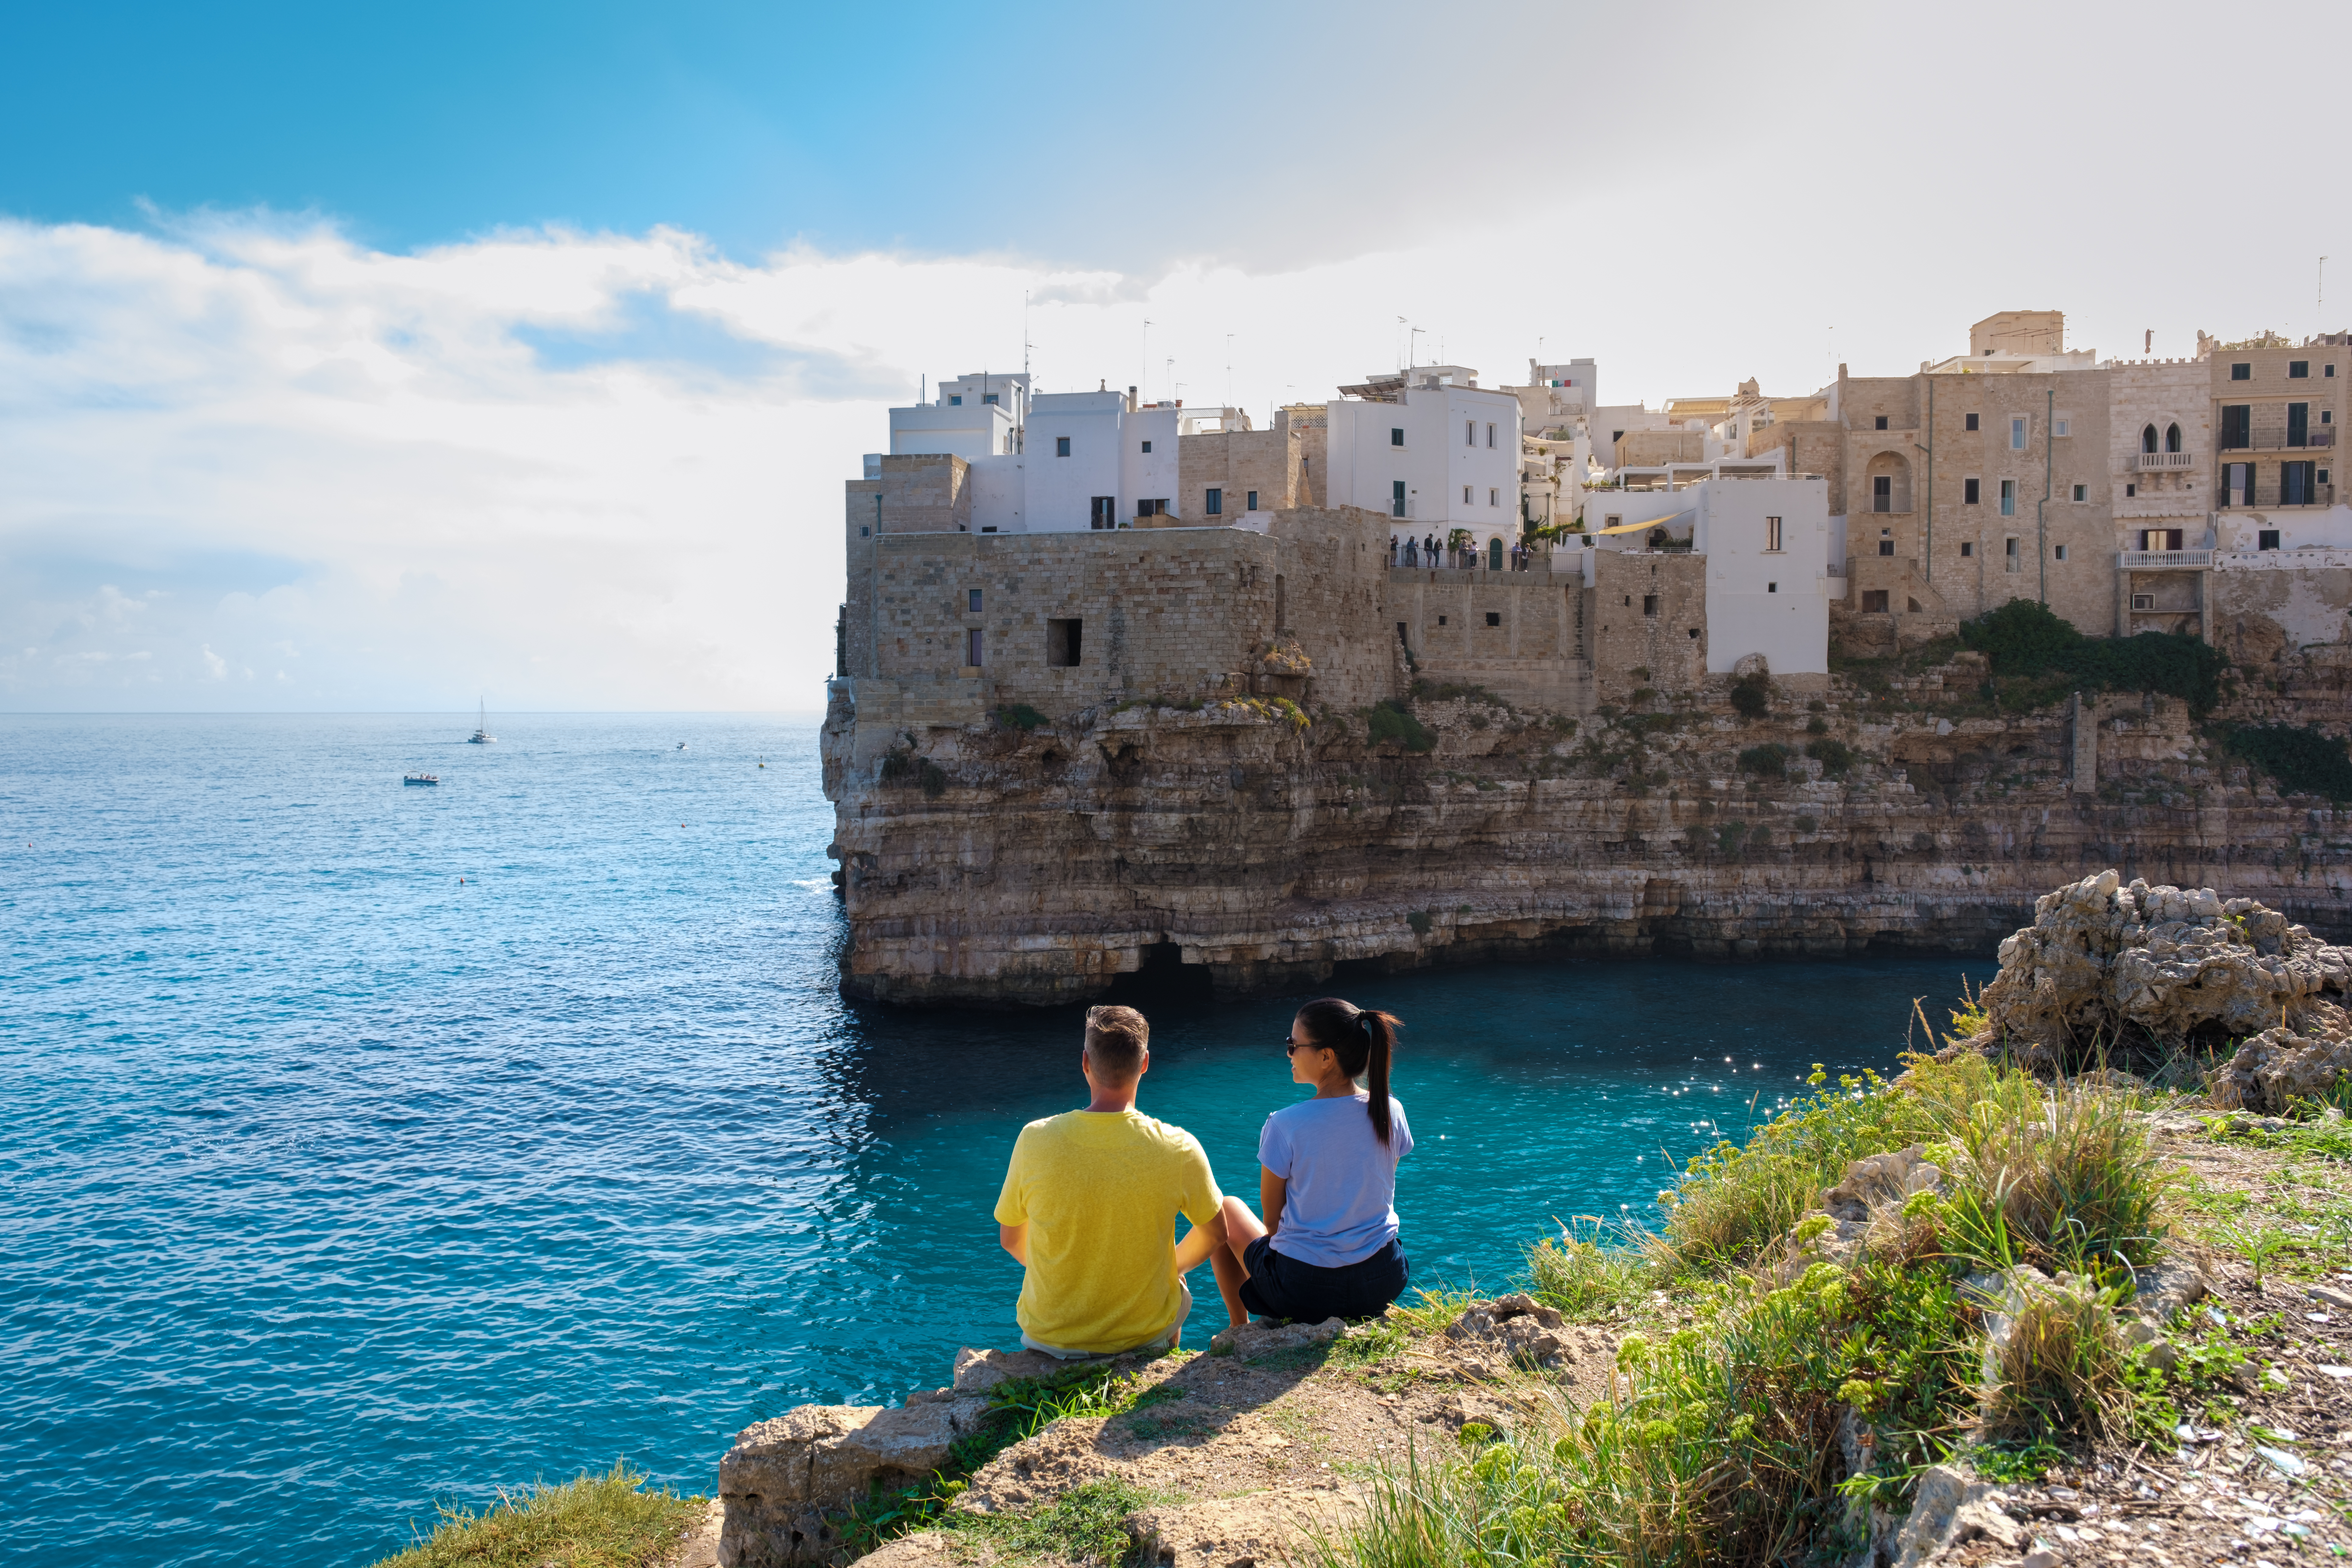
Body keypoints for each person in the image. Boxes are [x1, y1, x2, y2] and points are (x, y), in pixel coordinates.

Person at [993, 1004, 1225, 1356]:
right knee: (1178, 1289)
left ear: (1085, 1062)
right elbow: (1216, 1234)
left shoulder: (1034, 1140)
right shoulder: (1179, 1147)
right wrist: (1169, 1270)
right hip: (1142, 1338)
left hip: (1049, 1338)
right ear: (1145, 1063)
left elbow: (1010, 1239)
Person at [1203, 997, 1412, 1326]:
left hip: (1306, 1292)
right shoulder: (1391, 1110)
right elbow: (1380, 1192)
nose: (1288, 1053)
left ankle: (1238, 1326)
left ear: (1327, 1056)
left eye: (1293, 1045)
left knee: (1225, 1208)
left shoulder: (1285, 1125)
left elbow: (1272, 1225)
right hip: (1382, 1280)